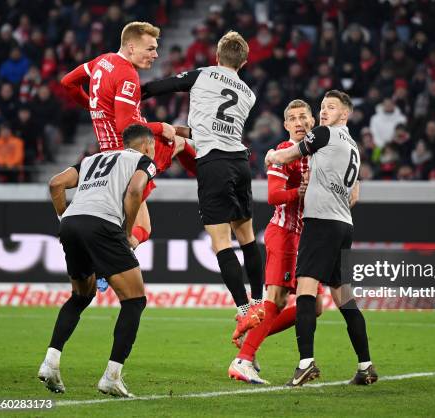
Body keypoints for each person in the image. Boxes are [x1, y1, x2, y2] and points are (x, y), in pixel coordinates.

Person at [142, 31, 264, 338]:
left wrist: (134, 92)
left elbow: (164, 85)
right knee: (247, 238)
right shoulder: (249, 94)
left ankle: (243, 311)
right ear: (245, 62)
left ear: (217, 57)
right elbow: (215, 130)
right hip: (240, 163)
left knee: (221, 242)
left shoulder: (203, 75)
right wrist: (180, 132)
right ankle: (260, 301)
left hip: (214, 165)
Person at [38, 124, 159, 398]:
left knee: (81, 295)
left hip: (71, 223)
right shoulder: (143, 161)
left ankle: (50, 362)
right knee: (135, 300)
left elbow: (55, 184)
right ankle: (112, 376)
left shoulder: (91, 158)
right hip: (104, 225)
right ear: (147, 145)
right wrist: (126, 233)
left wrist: (63, 219)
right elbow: (135, 191)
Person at [265, 90, 374, 387]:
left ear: (345, 114)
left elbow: (288, 154)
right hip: (344, 225)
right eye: (323, 107)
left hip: (321, 224)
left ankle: (305, 363)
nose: (324, 112)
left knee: (305, 291)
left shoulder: (324, 134)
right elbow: (355, 194)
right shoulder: (353, 146)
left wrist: (270, 156)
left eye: (331, 108)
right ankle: (366, 366)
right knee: (345, 297)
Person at [60, 21, 196, 248]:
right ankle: (210, 189)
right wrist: (161, 127)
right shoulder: (127, 75)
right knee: (179, 142)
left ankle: (109, 255)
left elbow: (68, 83)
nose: (155, 55)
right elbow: (125, 126)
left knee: (141, 229)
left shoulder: (101, 61)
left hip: (106, 155)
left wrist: (95, 107)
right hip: (130, 155)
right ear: (131, 47)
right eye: (150, 49)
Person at [228, 99, 324, 384]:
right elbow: (273, 196)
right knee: (276, 300)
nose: (298, 122)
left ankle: (250, 336)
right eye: (292, 118)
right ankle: (243, 359)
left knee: (315, 307)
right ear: (285, 126)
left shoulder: (320, 153)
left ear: (312, 121)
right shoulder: (283, 152)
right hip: (284, 233)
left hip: (307, 237)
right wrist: (300, 191)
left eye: (303, 117)